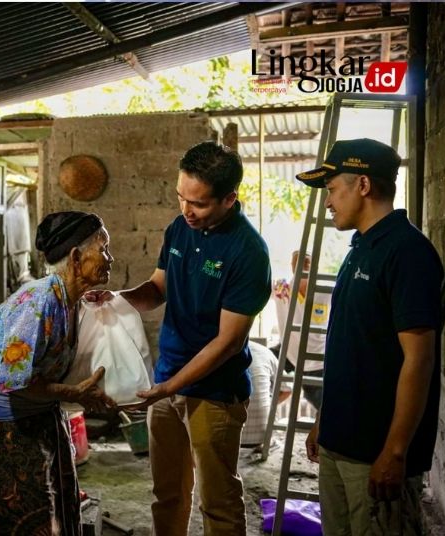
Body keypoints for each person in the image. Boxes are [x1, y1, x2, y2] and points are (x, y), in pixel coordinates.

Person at [89, 141, 271, 535]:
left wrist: (171, 386)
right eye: (181, 197)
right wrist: (118, 299)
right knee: (167, 493)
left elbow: (228, 342)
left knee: (217, 501)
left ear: (228, 199)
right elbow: (158, 288)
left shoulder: (248, 252)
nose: (187, 210)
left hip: (214, 393)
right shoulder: (179, 228)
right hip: (168, 380)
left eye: (199, 204)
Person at [299, 138, 442, 534]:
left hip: (375, 452)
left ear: (363, 185)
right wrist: (325, 419)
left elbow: (419, 359)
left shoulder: (407, 252)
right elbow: (352, 349)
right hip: (339, 442)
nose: (327, 202)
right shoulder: (361, 247)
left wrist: (395, 451)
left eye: (331, 190)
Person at [0, 211, 116, 536]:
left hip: (43, 412)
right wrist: (74, 394)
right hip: (11, 423)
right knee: (33, 521)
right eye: (103, 248)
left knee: (64, 507)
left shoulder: (69, 299)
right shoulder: (38, 304)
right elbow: (13, 382)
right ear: (77, 258)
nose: (110, 258)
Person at [271, 250, 330, 409]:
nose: (302, 266)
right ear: (291, 266)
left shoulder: (325, 292)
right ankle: (270, 404)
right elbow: (256, 284)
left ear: (314, 266)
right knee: (258, 362)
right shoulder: (281, 288)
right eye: (297, 262)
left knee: (325, 408)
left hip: (316, 361)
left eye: (307, 262)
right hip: (288, 353)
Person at [241, 341, 290, 449]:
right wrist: (268, 403)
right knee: (271, 387)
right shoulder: (263, 351)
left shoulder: (219, 349)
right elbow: (287, 389)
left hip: (228, 436)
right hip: (263, 438)